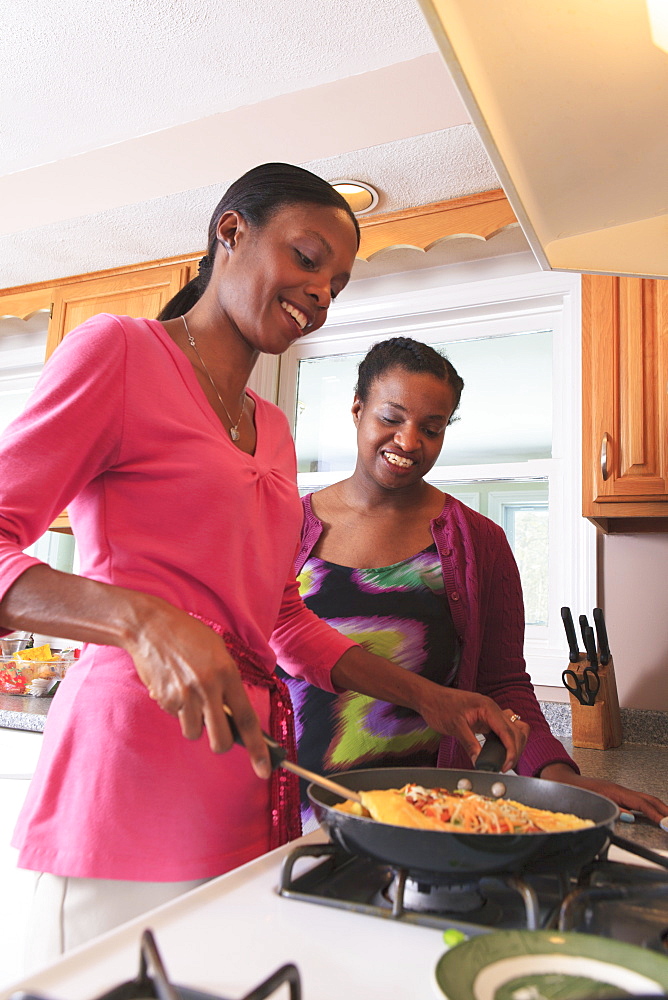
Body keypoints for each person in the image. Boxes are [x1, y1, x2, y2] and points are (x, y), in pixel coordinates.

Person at [0, 166, 526, 964]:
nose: (321, 292)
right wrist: (139, 619)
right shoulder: (119, 352)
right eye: (308, 258)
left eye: (338, 283)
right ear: (231, 233)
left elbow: (280, 619)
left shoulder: (273, 429)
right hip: (131, 769)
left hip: (248, 778)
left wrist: (436, 700)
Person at [275, 336, 668, 831]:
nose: (408, 441)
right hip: (294, 811)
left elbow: (502, 684)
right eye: (391, 419)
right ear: (357, 409)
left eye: (432, 428)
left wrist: (561, 779)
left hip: (432, 816)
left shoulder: (479, 542)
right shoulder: (282, 524)